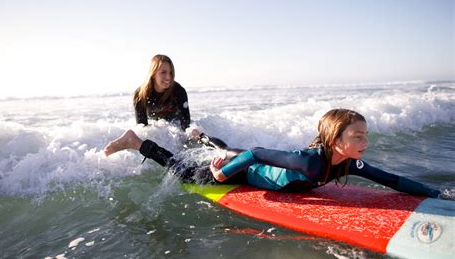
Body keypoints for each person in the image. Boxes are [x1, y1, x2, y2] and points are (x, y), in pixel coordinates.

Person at [103, 108, 446, 199]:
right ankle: (137, 142)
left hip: (255, 168)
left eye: (365, 135)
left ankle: (204, 139)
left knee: (223, 150)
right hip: (243, 172)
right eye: (357, 136)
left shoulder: (348, 162)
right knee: (185, 173)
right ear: (335, 139)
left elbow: (391, 179)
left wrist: (438, 193)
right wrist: (223, 174)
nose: (365, 142)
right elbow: (255, 153)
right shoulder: (310, 161)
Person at [133, 54, 227, 148]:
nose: (168, 77)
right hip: (159, 131)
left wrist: (192, 131)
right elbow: (142, 128)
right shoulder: (140, 94)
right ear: (153, 74)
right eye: (163, 72)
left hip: (177, 129)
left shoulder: (178, 91)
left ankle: (223, 150)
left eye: (170, 73)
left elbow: (185, 123)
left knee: (196, 135)